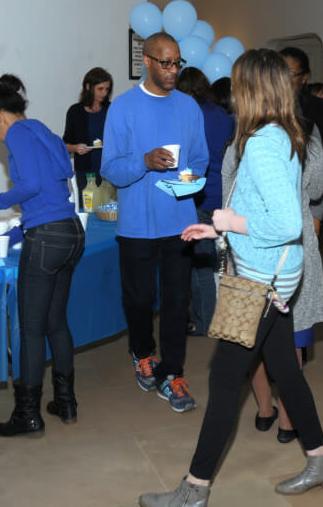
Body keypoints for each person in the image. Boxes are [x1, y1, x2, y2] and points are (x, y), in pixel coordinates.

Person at [139, 49, 323, 507]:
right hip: (273, 275)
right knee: (285, 368)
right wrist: (218, 228)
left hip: (261, 281)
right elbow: (266, 209)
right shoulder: (280, 133)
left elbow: (285, 223)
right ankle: (320, 457)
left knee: (226, 379)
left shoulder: (264, 143)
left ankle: (194, 489)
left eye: (237, 84)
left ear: (251, 89)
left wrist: (228, 222)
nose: (232, 94)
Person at [100, 33, 209, 413]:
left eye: (177, 62)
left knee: (178, 302)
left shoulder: (189, 107)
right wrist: (143, 162)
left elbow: (200, 158)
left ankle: (172, 372)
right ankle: (143, 352)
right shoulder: (122, 108)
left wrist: (189, 178)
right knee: (140, 299)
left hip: (179, 222)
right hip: (136, 226)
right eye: (165, 63)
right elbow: (111, 169)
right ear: (146, 61)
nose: (173, 70)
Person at [0, 74, 85, 436]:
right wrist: (7, 235)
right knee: (57, 322)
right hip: (70, 231)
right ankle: (66, 402)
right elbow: (48, 200)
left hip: (48, 239)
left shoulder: (18, 134)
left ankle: (27, 414)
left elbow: (31, 186)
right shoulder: (45, 133)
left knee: (31, 329)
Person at [247, 129, 323, 444]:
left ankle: (265, 409)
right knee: (293, 335)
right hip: (294, 244)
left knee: (252, 335)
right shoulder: (305, 136)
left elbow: (228, 192)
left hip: (252, 244)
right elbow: (317, 188)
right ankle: (287, 422)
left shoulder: (241, 139)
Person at [175, 67, 234, 336]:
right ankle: (216, 315)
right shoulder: (222, 114)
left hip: (199, 196)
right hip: (224, 195)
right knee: (218, 262)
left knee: (199, 266)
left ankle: (204, 321)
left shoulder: (190, 117)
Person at [281, 47, 323, 234]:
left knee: (307, 239)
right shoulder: (270, 107)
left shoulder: (318, 108)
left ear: (304, 77)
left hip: (313, 189)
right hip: (280, 190)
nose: (283, 78)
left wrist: (319, 207)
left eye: (290, 73)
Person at [63, 67, 112, 184]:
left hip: (110, 170)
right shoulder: (75, 111)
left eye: (107, 89)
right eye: (100, 89)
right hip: (86, 174)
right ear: (88, 87)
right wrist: (76, 148)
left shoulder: (111, 109)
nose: (104, 93)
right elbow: (65, 145)